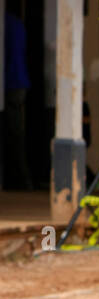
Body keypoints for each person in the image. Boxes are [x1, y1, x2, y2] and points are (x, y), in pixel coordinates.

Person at [3, 10, 33, 191]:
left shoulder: (5, 24)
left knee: (13, 133)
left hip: (10, 83)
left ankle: (22, 180)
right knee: (15, 132)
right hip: (19, 82)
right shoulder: (16, 23)